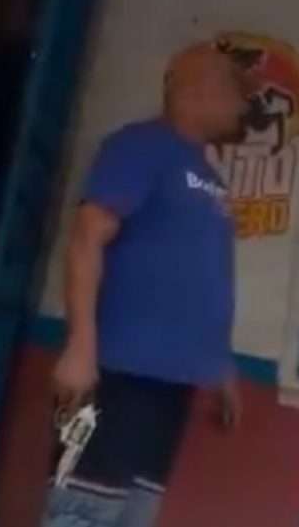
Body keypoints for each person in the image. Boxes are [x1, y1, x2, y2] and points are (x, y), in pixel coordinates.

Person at [43, 42, 250, 527]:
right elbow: (87, 237)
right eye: (234, 90)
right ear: (198, 89)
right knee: (83, 512)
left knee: (135, 515)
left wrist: (220, 367)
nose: (243, 105)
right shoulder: (138, 147)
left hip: (171, 383)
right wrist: (79, 347)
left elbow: (202, 276)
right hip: (115, 371)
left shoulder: (207, 175)